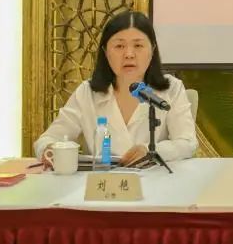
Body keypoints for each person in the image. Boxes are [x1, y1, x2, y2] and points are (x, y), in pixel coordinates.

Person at [34, 10, 197, 167]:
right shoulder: (87, 93)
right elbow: (48, 139)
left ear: (152, 50)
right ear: (105, 52)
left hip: (156, 181)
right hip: (101, 182)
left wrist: (150, 150)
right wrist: (49, 150)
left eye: (138, 45)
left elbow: (187, 142)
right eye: (119, 46)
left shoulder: (171, 89)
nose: (129, 54)